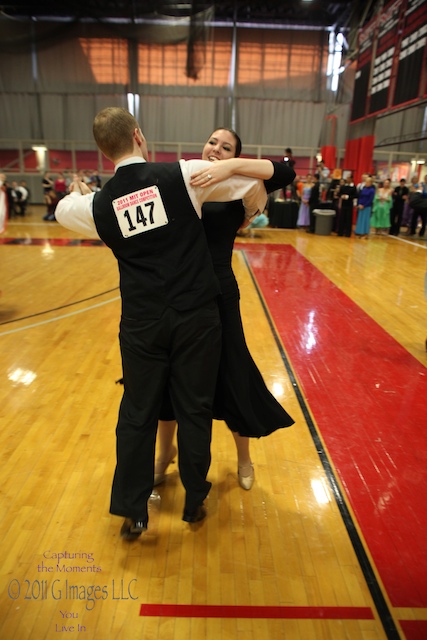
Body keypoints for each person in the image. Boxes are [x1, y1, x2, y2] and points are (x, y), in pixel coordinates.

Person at [55, 107, 270, 541]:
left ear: (101, 151)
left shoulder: (96, 205)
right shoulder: (182, 175)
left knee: (137, 413)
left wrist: (85, 193)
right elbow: (252, 182)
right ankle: (194, 500)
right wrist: (250, 202)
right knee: (194, 408)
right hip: (196, 317)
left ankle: (134, 511)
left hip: (141, 323)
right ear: (139, 135)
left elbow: (64, 208)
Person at [153, 129, 295, 492]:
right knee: (170, 374)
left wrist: (230, 167)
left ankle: (244, 457)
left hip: (218, 292)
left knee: (233, 371)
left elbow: (286, 172)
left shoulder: (245, 185)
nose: (216, 149)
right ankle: (163, 454)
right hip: (180, 293)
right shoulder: (181, 177)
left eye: (226, 146)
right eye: (213, 143)